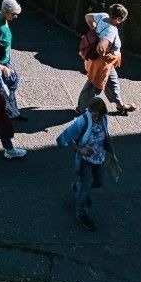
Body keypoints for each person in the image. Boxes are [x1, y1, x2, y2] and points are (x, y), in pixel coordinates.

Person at [56, 94, 117, 229]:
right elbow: (67, 137)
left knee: (99, 182)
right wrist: (79, 150)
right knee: (86, 186)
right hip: (85, 160)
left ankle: (79, 188)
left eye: (98, 116)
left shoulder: (103, 119)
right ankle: (81, 213)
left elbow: (106, 136)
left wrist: (112, 153)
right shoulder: (83, 121)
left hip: (99, 157)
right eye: (94, 115)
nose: (96, 118)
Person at [77, 4, 135, 113]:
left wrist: (94, 29)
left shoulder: (102, 16)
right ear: (118, 19)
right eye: (123, 19)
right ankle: (81, 109)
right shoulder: (111, 30)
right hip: (102, 63)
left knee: (112, 81)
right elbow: (100, 48)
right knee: (93, 85)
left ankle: (120, 105)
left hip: (104, 63)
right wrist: (109, 56)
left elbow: (87, 17)